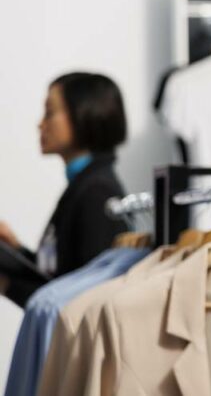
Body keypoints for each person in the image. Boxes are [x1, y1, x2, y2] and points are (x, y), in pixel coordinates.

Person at [0, 73, 129, 307]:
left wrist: (8, 285)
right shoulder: (84, 186)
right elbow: (62, 277)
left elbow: (81, 306)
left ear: (84, 115)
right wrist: (16, 250)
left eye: (50, 112)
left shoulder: (96, 196)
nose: (41, 124)